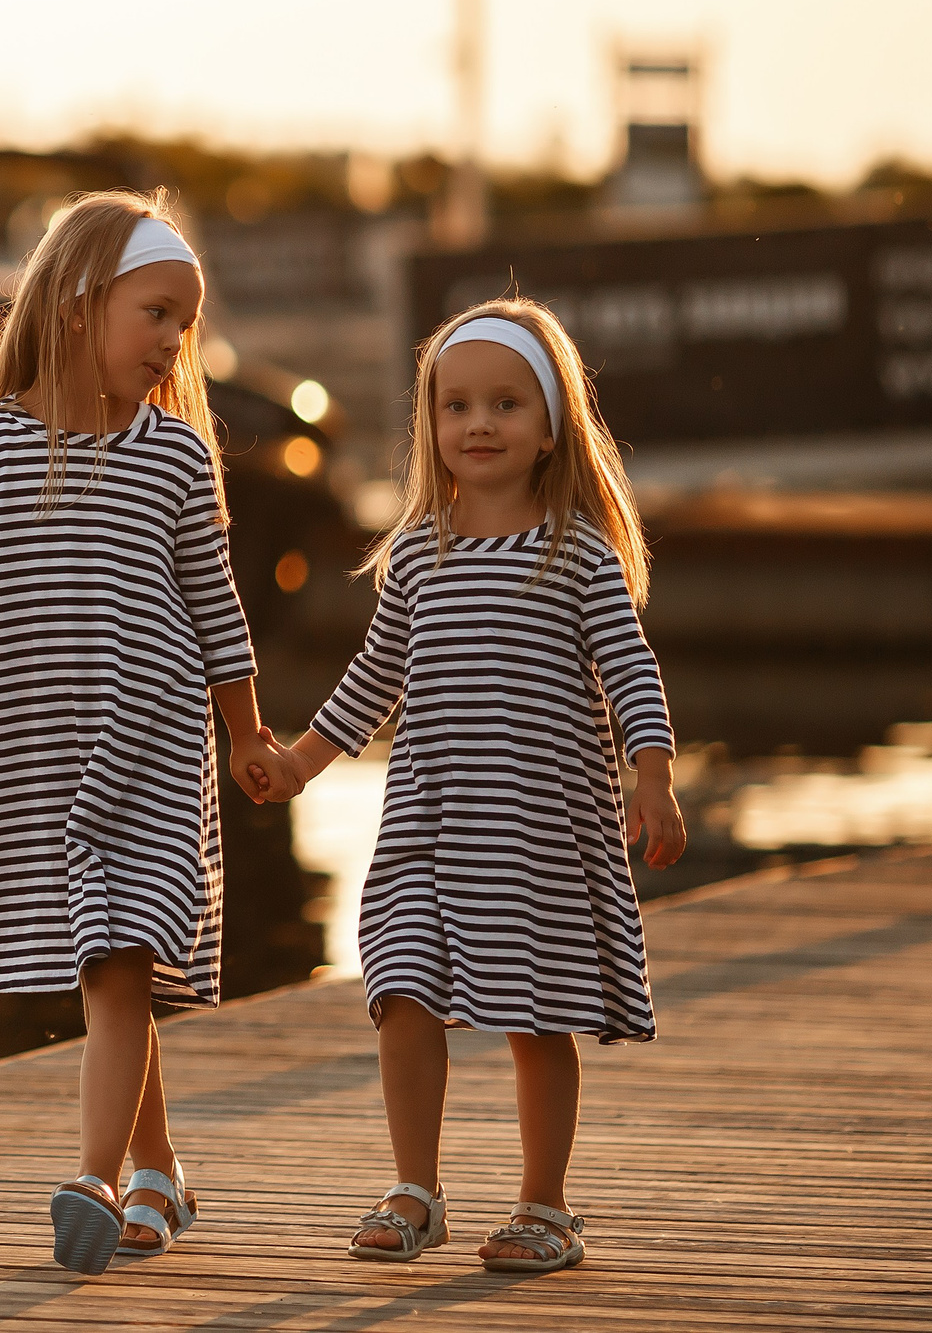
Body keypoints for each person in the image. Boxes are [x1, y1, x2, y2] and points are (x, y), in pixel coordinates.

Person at [0, 189, 298, 1275]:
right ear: (81, 304)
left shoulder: (175, 455)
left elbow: (217, 607)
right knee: (110, 966)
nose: (175, 339)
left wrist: (246, 732)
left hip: (152, 749)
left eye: (186, 318)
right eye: (155, 312)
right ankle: (158, 1168)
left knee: (119, 955)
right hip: (42, 753)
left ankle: (92, 1174)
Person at [265, 300, 688, 1275]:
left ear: (550, 426)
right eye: (456, 406)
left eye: (505, 402)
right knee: (399, 984)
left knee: (536, 1015)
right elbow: (373, 677)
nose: (479, 423)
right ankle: (415, 1188)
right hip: (427, 818)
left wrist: (652, 772)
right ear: (431, 426)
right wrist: (299, 760)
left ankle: (546, 1205)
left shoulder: (575, 551)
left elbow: (630, 670)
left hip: (541, 825)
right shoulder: (417, 551)